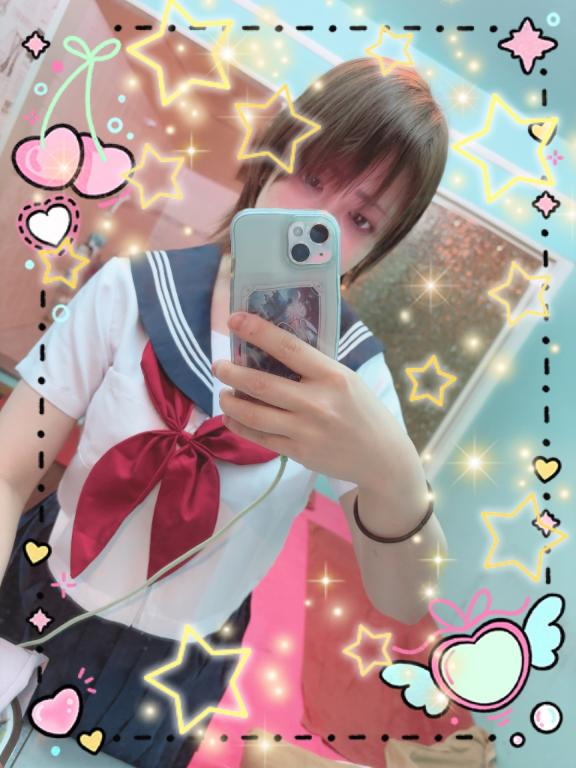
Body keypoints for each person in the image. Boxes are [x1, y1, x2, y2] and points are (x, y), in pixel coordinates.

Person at [0, 57, 449, 767]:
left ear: (377, 248)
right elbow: (7, 473)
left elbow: (403, 599)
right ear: (270, 160)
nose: (316, 220)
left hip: (172, 676)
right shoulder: (129, 290)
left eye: (361, 218)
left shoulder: (354, 379)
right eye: (312, 175)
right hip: (32, 594)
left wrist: (393, 471)